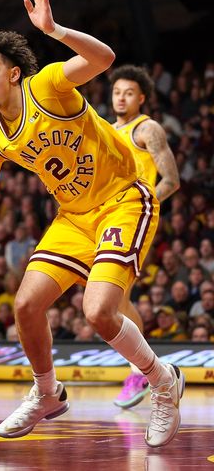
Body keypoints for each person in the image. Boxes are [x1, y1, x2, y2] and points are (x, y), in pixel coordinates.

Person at [0, 0, 183, 447]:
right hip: (73, 218)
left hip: (123, 199)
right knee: (26, 304)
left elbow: (104, 59)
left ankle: (164, 382)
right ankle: (47, 393)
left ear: (13, 72)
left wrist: (54, 29)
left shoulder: (49, 86)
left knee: (98, 311)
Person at [110, 64, 180, 409]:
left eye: (128, 93)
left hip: (134, 217)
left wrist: (141, 203)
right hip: (104, 218)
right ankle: (146, 369)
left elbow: (170, 180)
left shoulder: (147, 128)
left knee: (116, 299)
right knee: (111, 302)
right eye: (116, 92)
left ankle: (142, 371)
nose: (121, 98)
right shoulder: (107, 130)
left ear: (141, 98)